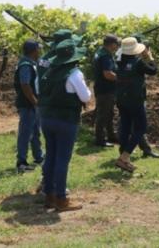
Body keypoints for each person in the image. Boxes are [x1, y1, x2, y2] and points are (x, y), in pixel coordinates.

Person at [38, 38, 92, 212]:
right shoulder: (74, 73)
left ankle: (49, 195)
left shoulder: (48, 72)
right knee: (62, 159)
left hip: (47, 119)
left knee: (51, 155)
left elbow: (40, 91)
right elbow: (85, 97)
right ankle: (61, 198)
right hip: (66, 119)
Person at [115, 37, 158, 172]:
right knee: (141, 127)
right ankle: (125, 156)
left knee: (125, 127)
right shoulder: (138, 62)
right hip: (135, 99)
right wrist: (150, 58)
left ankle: (123, 156)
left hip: (121, 98)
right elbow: (153, 71)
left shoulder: (118, 61)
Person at [15, 39, 44, 173]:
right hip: (28, 104)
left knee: (35, 131)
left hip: (33, 103)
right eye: (39, 48)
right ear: (34, 50)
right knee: (25, 133)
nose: (40, 51)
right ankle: (21, 162)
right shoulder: (26, 65)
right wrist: (34, 100)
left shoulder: (31, 63)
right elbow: (25, 84)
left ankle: (38, 157)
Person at [93, 35, 121, 147]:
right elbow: (107, 74)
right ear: (112, 44)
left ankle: (111, 136)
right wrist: (121, 79)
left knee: (108, 113)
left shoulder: (100, 52)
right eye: (116, 44)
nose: (117, 46)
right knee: (103, 114)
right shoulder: (105, 56)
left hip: (102, 88)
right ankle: (100, 139)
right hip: (106, 90)